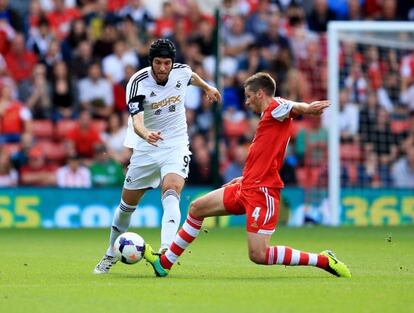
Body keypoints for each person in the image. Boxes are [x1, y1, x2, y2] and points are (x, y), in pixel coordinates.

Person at [144, 72, 351, 278]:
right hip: (247, 186)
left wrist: (308, 108)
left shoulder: (275, 107)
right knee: (197, 208)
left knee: (258, 254)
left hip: (263, 192)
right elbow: (265, 156)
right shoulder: (268, 116)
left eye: (249, 96)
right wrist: (245, 177)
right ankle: (165, 262)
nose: (247, 101)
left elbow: (294, 106)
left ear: (260, 93)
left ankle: (323, 260)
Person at [94, 38, 221, 274]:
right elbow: (136, 121)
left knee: (171, 191)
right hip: (146, 146)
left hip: (176, 143)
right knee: (126, 206)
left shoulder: (181, 71)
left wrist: (208, 88)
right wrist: (145, 134)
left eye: (167, 63)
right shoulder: (138, 83)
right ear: (151, 62)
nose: (163, 68)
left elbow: (192, 77)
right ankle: (111, 251)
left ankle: (165, 254)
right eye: (158, 63)